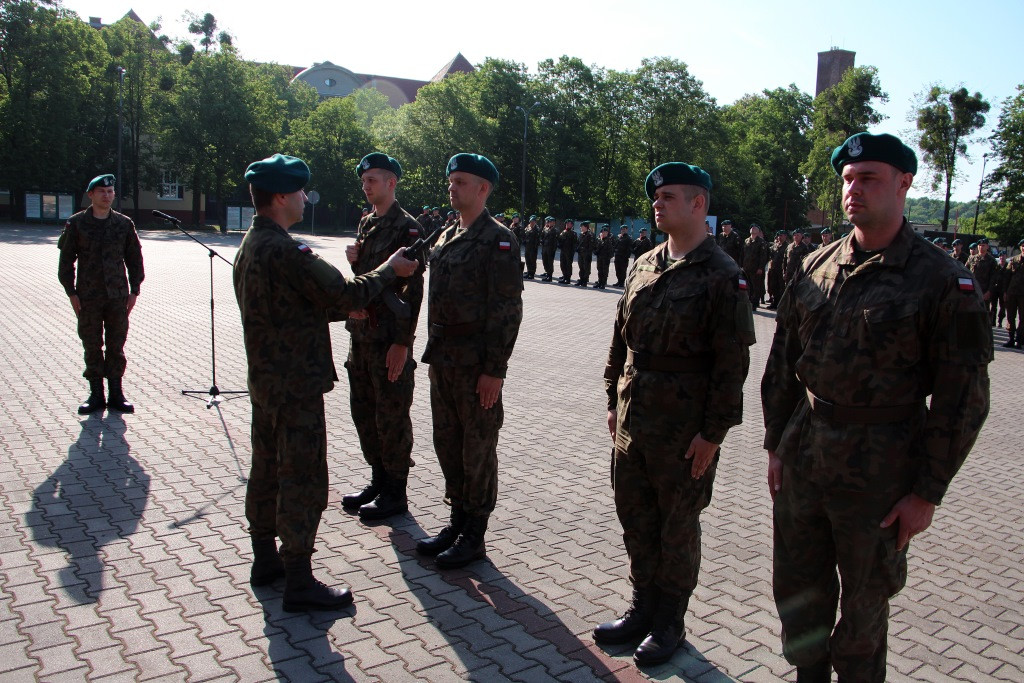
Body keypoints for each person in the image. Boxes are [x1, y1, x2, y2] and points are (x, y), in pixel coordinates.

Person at [761, 133, 991, 682]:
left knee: (863, 613)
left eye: (868, 178)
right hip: (806, 455)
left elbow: (963, 399)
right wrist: (776, 445)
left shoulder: (941, 281)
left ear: (904, 183)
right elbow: (783, 362)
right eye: (847, 179)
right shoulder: (817, 264)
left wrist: (927, 492)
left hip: (881, 472)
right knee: (798, 594)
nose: (853, 190)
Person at [233, 153, 417, 611]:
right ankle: (298, 579)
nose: (303, 198)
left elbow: (310, 303)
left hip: (267, 382)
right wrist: (389, 270)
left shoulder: (252, 244)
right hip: (296, 385)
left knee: (266, 469)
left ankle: (265, 561)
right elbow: (344, 293)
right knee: (302, 478)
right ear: (280, 197)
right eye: (298, 192)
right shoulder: (287, 251)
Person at [595, 162, 754, 666]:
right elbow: (620, 340)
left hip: (683, 432)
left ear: (698, 205)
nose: (657, 205)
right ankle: (642, 606)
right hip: (634, 419)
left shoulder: (722, 275)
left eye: (668, 197)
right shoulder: (644, 263)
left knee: (677, 527)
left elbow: (732, 366)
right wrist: (611, 401)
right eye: (656, 197)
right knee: (635, 518)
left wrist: (713, 434)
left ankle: (669, 621)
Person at [416, 153, 523, 569]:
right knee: (448, 443)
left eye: (461, 181)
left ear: (483, 189)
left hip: (476, 363)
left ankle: (475, 533)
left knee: (477, 447)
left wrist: (494, 370)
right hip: (443, 359)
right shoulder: (445, 236)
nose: (451, 187)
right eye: (451, 180)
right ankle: (457, 519)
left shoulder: (498, 240)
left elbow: (507, 310)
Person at [340, 153, 425, 521]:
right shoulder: (366, 223)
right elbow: (366, 280)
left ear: (391, 182)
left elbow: (414, 290)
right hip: (361, 336)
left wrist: (403, 343)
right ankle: (378, 480)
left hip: (389, 339)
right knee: (364, 414)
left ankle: (396, 492)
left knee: (391, 416)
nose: (366, 185)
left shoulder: (408, 228)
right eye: (364, 180)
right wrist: (353, 260)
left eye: (373, 179)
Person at [58, 174, 144, 415]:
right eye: (102, 192)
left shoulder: (124, 224)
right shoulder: (76, 224)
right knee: (92, 344)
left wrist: (134, 290)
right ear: (91, 195)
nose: (107, 195)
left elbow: (134, 259)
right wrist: (71, 293)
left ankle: (116, 394)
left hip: (118, 295)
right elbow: (66, 261)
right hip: (88, 296)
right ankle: (96, 394)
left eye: (110, 192)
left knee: (116, 344)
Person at [741, 223, 769, 310]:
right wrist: (741, 265)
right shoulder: (746, 241)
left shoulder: (761, 242)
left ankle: (754, 304)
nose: (752, 228)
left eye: (755, 228)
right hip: (746, 268)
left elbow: (763, 256)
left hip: (755, 268)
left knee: (755, 287)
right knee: (747, 286)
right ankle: (747, 302)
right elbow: (742, 254)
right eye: (751, 227)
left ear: (758, 231)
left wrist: (761, 267)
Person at [1004, 240, 1024, 348]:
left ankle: (1019, 340)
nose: (1023, 248)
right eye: (1022, 246)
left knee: (1023, 318)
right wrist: (1005, 291)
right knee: (1010, 316)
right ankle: (1011, 339)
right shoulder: (1014, 260)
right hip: (1012, 293)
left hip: (1023, 295)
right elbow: (1007, 277)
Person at [765, 231, 789, 309]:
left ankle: (781, 305)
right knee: (773, 287)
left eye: (781, 236)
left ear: (785, 236)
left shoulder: (787, 247)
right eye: (778, 236)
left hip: (781, 270)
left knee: (781, 288)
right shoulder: (775, 246)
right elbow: (770, 255)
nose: (779, 237)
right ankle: (774, 303)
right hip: (774, 269)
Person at [557, 219, 578, 284]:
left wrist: (572, 252)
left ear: (572, 225)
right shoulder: (563, 232)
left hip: (569, 251)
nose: (568, 225)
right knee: (562, 264)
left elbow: (575, 244)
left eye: (570, 224)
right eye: (567, 224)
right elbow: (560, 240)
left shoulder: (573, 233)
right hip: (563, 250)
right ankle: (564, 276)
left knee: (568, 265)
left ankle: (568, 278)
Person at [576, 221, 596, 287]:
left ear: (585, 227)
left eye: (582, 227)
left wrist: (586, 251)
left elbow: (591, 246)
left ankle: (585, 281)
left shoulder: (590, 235)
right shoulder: (581, 234)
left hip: (586, 254)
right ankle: (581, 280)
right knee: (581, 267)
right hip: (580, 254)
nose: (581, 228)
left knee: (586, 268)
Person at [594, 224, 614, 289]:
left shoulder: (608, 240)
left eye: (605, 232)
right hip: (600, 257)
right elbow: (596, 247)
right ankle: (599, 282)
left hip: (605, 258)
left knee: (604, 271)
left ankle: (603, 283)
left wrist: (608, 258)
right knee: (599, 270)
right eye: (603, 232)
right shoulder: (599, 240)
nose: (604, 233)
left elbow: (611, 251)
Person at [522, 215, 541, 279]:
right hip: (527, 246)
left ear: (535, 222)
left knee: (532, 260)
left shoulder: (537, 229)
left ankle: (532, 273)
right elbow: (524, 235)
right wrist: (524, 241)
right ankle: (528, 271)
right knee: (527, 259)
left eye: (533, 221)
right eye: (531, 221)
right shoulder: (527, 227)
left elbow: (538, 239)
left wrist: (535, 246)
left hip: (533, 247)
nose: (532, 223)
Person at [540, 216, 558, 281]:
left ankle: (549, 276)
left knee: (550, 262)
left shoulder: (555, 230)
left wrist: (554, 249)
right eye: (549, 222)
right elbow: (542, 236)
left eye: (551, 222)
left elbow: (555, 241)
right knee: (545, 261)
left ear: (554, 223)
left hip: (550, 248)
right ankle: (547, 273)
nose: (550, 223)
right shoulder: (546, 229)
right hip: (545, 247)